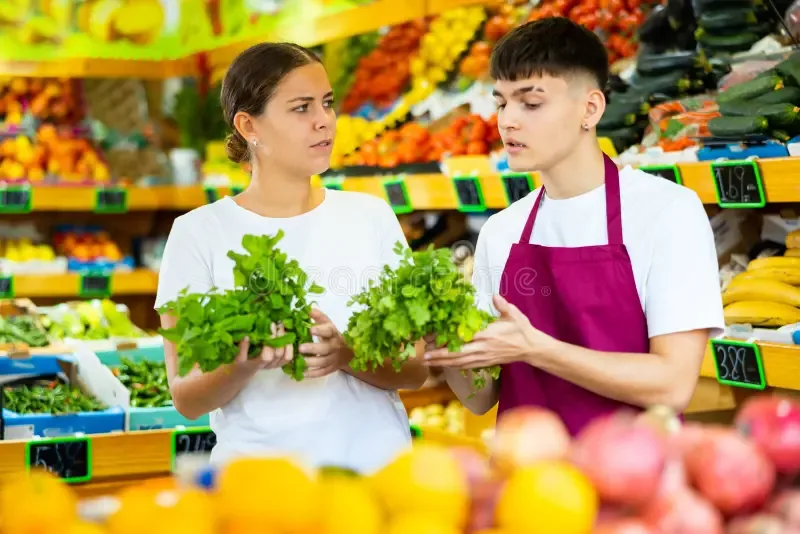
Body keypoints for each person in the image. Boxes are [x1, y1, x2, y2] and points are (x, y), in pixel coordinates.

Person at [425, 17, 724, 435]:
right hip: (529, 484)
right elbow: (481, 399)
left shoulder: (666, 213)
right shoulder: (503, 230)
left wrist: (538, 350)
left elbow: (672, 385)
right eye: (501, 103)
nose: (508, 121)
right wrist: (445, 348)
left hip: (632, 477)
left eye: (530, 103)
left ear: (591, 108)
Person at [155, 42, 428, 471]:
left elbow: (415, 368)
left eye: (327, 104)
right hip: (261, 484)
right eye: (301, 108)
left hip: (377, 477)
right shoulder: (197, 233)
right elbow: (186, 397)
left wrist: (348, 354)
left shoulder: (369, 216)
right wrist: (243, 364)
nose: (324, 122)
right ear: (249, 125)